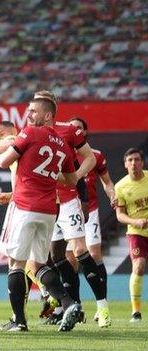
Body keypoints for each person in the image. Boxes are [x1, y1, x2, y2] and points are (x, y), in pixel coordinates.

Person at [0, 96, 83, 332]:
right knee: (37, 264)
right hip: (48, 211)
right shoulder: (64, 145)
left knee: (15, 263)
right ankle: (68, 304)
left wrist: (5, 147)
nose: (28, 115)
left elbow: (4, 162)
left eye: (33, 111)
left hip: (24, 206)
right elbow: (73, 179)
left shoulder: (30, 133)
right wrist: (49, 172)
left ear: (48, 115)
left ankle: (19, 321)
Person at [31, 91, 109, 327]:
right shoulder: (30, 132)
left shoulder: (68, 130)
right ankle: (73, 307)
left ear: (49, 109)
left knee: (79, 250)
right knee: (54, 257)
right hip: (47, 203)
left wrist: (76, 177)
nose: (31, 111)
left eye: (36, 107)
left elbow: (89, 158)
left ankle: (103, 307)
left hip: (67, 201)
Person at [67, 117, 117, 323]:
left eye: (79, 128)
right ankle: (74, 307)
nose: (75, 130)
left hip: (91, 210)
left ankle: (101, 304)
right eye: (72, 128)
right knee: (70, 259)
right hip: (68, 210)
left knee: (93, 253)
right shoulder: (62, 154)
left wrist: (112, 193)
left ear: (85, 133)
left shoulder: (95, 156)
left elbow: (107, 182)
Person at [114, 148, 148, 323]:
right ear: (125, 164)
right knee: (139, 266)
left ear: (142, 162)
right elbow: (119, 215)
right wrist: (135, 222)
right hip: (137, 231)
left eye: (137, 159)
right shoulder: (120, 186)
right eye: (130, 160)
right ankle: (136, 312)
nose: (134, 163)